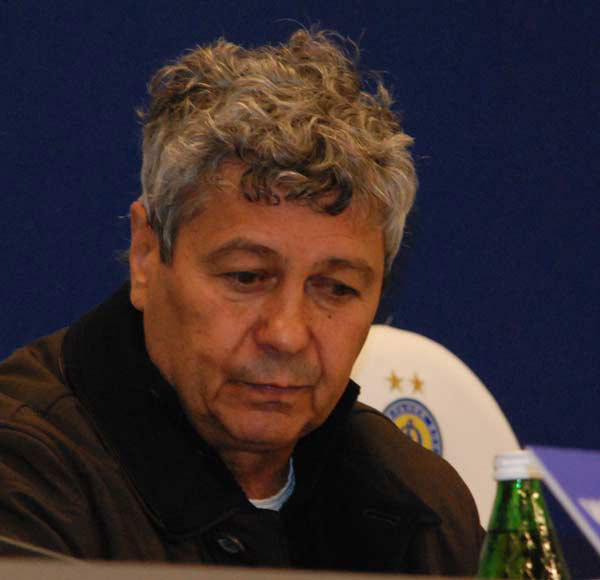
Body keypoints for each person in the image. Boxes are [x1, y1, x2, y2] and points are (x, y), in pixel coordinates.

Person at [0, 29, 483, 573]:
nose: (287, 334)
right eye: (247, 277)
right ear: (146, 255)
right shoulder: (22, 478)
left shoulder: (422, 505)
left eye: (336, 288)